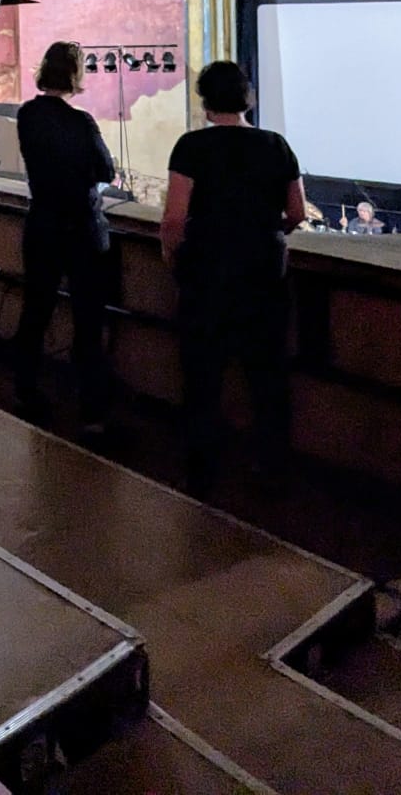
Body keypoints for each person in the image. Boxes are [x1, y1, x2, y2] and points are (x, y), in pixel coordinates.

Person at [160, 59, 306, 493]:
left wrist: (173, 257)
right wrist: (268, 234)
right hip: (263, 272)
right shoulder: (276, 145)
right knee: (267, 373)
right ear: (247, 99)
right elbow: (297, 212)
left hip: (207, 272)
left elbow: (174, 218)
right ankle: (272, 466)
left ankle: (202, 468)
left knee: (202, 373)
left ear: (205, 102)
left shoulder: (191, 147)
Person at [12, 42, 118, 430]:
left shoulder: (27, 115)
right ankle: (91, 411)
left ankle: (26, 391)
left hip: (42, 224)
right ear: (75, 75)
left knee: (35, 312)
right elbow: (106, 171)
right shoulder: (81, 122)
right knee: (88, 321)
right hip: (81, 230)